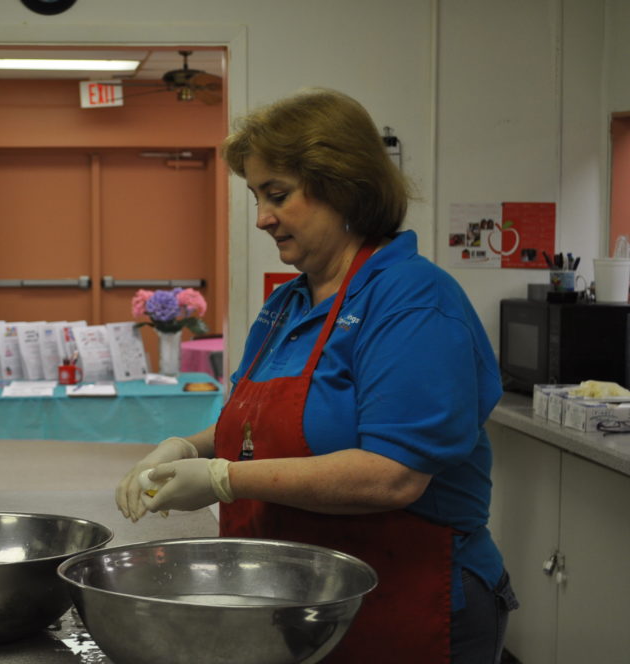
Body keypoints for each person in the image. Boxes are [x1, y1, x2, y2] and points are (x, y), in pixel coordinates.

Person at [115, 88, 518, 664]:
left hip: (405, 597)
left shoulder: (412, 301)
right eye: (255, 196)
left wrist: (225, 479)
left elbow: (392, 476)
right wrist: (184, 447)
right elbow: (254, 427)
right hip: (299, 600)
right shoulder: (290, 305)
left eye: (276, 194)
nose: (262, 219)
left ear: (342, 185)